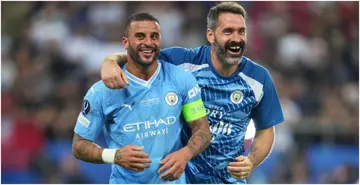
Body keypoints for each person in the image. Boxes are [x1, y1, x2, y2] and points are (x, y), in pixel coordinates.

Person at [100, 2, 284, 184]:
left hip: (227, 181)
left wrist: (251, 161)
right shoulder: (183, 62)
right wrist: (111, 61)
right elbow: (142, 55)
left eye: (241, 31)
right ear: (211, 36)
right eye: (228, 31)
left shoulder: (259, 78)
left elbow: (266, 129)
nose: (236, 38)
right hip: (178, 178)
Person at [72, 12, 211, 184]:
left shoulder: (181, 79)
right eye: (140, 36)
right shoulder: (102, 91)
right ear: (125, 42)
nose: (148, 42)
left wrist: (185, 153)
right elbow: (79, 145)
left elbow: (202, 129)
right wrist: (114, 155)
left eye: (154, 36)